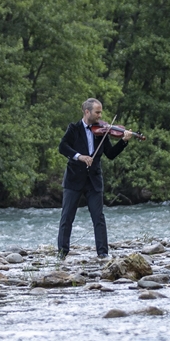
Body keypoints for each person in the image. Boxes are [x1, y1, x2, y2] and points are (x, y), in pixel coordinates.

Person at [57, 98, 132, 260]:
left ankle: (103, 253)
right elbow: (62, 147)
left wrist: (124, 142)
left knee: (98, 217)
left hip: (94, 180)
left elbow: (111, 155)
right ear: (87, 112)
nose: (100, 115)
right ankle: (62, 252)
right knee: (67, 217)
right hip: (74, 179)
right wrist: (79, 157)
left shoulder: (102, 131)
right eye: (97, 112)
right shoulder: (74, 129)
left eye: (100, 112)